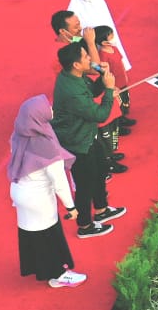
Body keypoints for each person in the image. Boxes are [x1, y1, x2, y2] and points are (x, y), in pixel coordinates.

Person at [50, 42, 126, 239]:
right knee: (85, 184)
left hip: (87, 136)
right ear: (76, 64)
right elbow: (100, 115)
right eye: (85, 57)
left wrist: (103, 78)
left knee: (100, 170)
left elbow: (92, 91)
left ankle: (101, 209)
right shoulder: (72, 92)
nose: (90, 59)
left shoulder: (73, 76)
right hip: (77, 143)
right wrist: (109, 91)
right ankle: (84, 225)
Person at [8, 96, 83, 289]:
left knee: (32, 234)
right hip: (38, 199)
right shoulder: (47, 148)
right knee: (49, 235)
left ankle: (40, 268)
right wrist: (71, 207)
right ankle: (57, 275)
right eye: (47, 107)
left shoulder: (20, 134)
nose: (51, 108)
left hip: (19, 192)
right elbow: (59, 182)